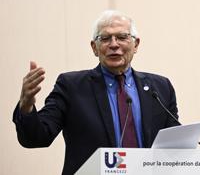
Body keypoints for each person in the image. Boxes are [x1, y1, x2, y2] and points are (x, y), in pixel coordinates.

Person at [12, 10, 179, 175]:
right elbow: (37, 138)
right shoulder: (71, 86)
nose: (114, 44)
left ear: (136, 45)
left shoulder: (160, 87)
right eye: (105, 38)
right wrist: (26, 106)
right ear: (94, 48)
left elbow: (174, 146)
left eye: (122, 37)